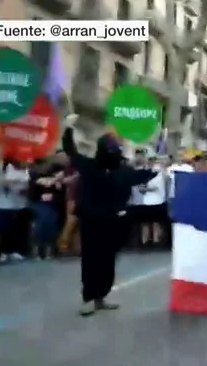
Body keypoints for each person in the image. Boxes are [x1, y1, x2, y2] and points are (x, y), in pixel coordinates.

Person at [61, 115, 157, 316]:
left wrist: (154, 167)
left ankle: (100, 297)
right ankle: (89, 298)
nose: (114, 153)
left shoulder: (122, 170)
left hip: (114, 222)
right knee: (91, 259)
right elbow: (71, 150)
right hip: (92, 220)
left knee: (108, 260)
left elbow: (145, 175)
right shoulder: (90, 167)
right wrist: (68, 128)